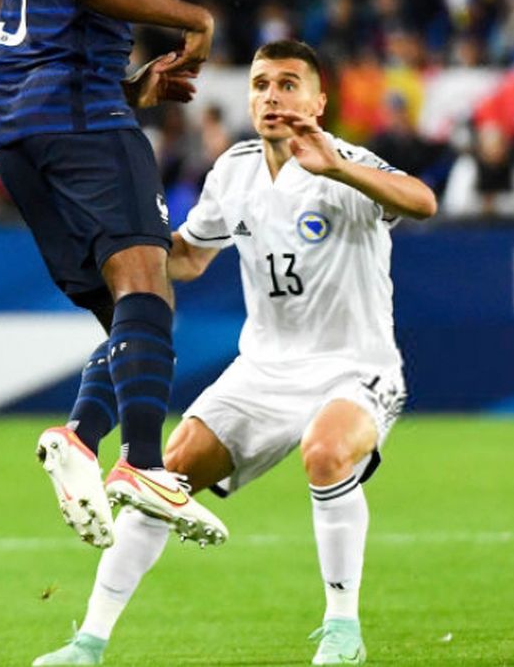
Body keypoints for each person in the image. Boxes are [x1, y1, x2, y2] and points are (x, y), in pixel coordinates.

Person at [32, 40, 437, 667]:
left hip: (355, 367)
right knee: (160, 478)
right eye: (260, 84)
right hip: (262, 370)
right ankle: (89, 642)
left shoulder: (346, 163)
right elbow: (190, 255)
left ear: (318, 100)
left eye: (288, 84)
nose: (272, 97)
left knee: (326, 453)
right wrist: (126, 252)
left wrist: (338, 168)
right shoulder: (235, 170)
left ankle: (342, 630)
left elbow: (422, 201)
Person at [0, 0, 222, 549]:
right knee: (150, 276)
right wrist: (195, 19)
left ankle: (81, 442)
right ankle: (142, 464)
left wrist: (132, 86)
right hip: (77, 117)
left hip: (16, 127)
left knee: (130, 313)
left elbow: (56, 25)